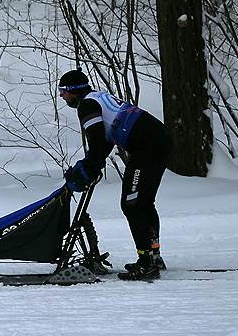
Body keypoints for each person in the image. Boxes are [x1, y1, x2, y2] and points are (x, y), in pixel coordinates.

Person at [57, 69, 171, 281]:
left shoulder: (87, 106)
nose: (62, 96)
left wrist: (88, 167)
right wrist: (92, 166)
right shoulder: (98, 97)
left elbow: (98, 141)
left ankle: (146, 263)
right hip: (157, 141)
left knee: (132, 204)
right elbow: (107, 141)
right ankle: (153, 256)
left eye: (63, 91)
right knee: (143, 203)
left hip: (147, 147)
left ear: (74, 90)